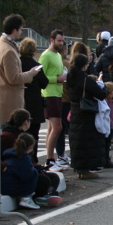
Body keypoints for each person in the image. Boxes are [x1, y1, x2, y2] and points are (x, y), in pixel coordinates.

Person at [0, 14, 41, 125]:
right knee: (11, 132)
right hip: (10, 102)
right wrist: (31, 73)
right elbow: (13, 78)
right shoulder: (8, 50)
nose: (21, 32)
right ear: (14, 30)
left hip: (1, 98)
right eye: (21, 29)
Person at [67, 53, 109, 179]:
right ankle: (86, 169)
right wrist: (102, 85)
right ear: (84, 65)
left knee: (77, 141)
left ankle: (79, 168)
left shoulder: (70, 77)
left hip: (75, 110)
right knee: (87, 142)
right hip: (86, 113)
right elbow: (101, 94)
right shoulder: (86, 79)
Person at [39, 29, 69, 171]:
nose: (61, 43)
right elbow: (40, 75)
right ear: (51, 40)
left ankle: (50, 158)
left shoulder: (57, 55)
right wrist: (56, 79)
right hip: (49, 93)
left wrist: (61, 78)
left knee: (52, 128)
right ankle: (50, 160)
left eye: (62, 41)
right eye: (58, 41)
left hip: (58, 93)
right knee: (58, 127)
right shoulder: (46, 55)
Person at [19, 37, 50, 160]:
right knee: (34, 134)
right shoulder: (36, 66)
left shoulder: (18, 63)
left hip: (21, 100)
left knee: (20, 133)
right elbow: (44, 83)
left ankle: (20, 158)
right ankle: (33, 159)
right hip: (35, 102)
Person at [1, 132, 43, 210]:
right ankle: (26, 197)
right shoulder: (24, 158)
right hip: (12, 188)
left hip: (2, 187)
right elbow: (26, 176)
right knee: (34, 172)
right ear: (30, 147)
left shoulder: (8, 154)